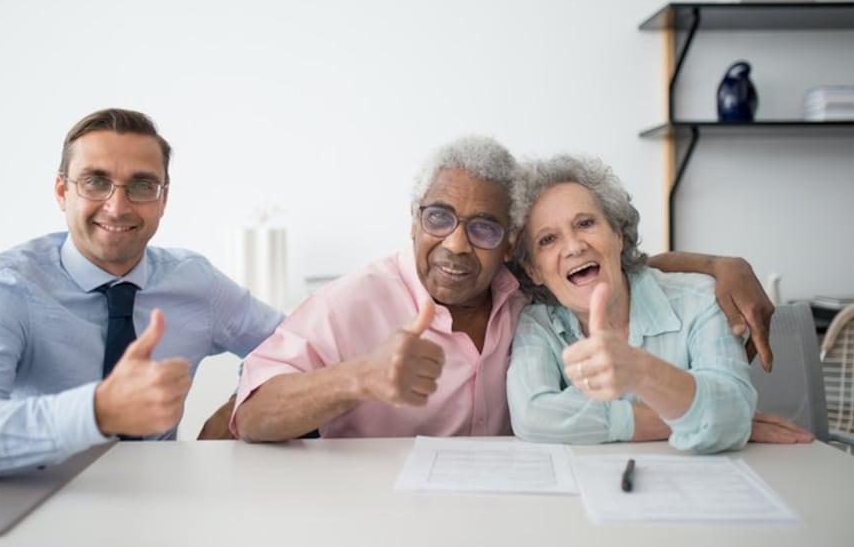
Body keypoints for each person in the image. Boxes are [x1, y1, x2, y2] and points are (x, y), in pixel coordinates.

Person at [229, 135, 785, 443]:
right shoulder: (348, 303)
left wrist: (718, 264)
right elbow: (251, 415)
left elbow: (611, 265)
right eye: (439, 217)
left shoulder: (517, 289)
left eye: (483, 228)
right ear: (414, 219)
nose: (456, 245)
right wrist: (361, 376)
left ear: (509, 245)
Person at [0, 108, 285, 477]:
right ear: (61, 192)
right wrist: (97, 410)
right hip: (36, 503)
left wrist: (234, 414)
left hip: (162, 502)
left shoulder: (196, 281)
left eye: (142, 186)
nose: (117, 207)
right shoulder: (6, 286)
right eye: (95, 182)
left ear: (163, 200)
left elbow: (298, 347)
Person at [507, 154, 773, 452]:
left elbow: (732, 412)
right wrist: (685, 417)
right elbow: (532, 416)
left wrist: (640, 371)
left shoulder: (702, 301)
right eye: (547, 240)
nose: (574, 246)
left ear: (618, 235)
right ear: (533, 271)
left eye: (585, 223)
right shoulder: (537, 323)